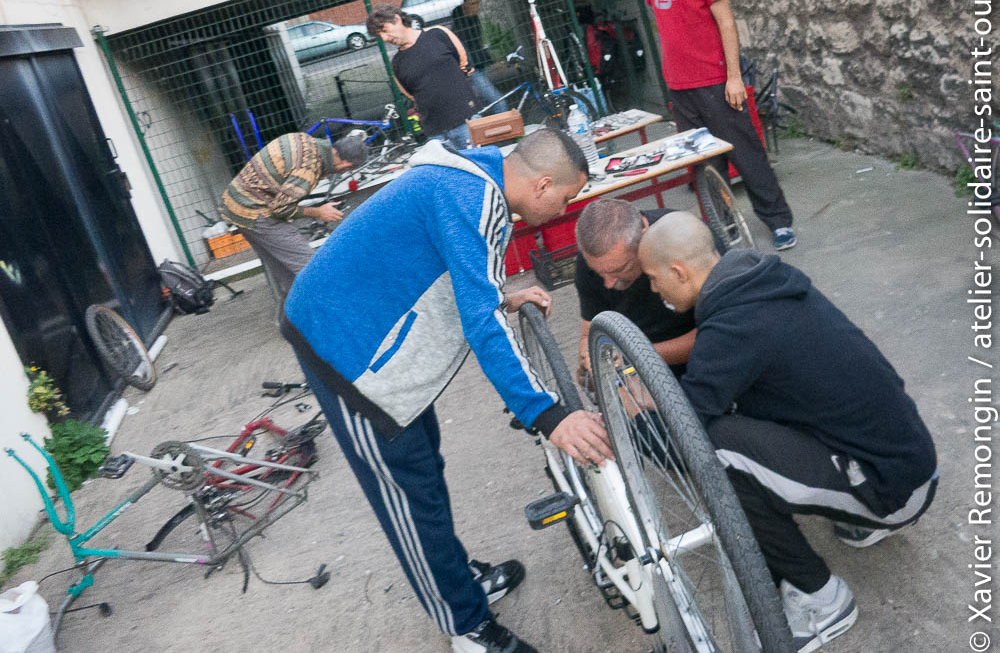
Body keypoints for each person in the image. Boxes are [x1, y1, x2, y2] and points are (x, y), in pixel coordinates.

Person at [281, 129, 614, 653]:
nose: (562, 210)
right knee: (410, 499)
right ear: (544, 183)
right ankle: (466, 627)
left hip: (364, 330)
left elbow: (455, 274)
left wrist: (498, 296)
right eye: (566, 199)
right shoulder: (468, 195)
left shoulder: (474, 180)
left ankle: (456, 581)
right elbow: (479, 324)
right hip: (344, 352)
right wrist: (547, 415)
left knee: (424, 474)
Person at [637, 211, 938, 653]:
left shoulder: (731, 327)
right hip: (908, 459)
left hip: (891, 489)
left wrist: (637, 406)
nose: (652, 288)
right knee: (740, 423)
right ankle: (854, 517)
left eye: (652, 277)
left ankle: (821, 597)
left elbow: (684, 432)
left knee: (716, 450)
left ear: (679, 271)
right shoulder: (762, 282)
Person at [619, 0, 798, 251]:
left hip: (716, 84)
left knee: (747, 156)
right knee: (703, 166)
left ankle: (779, 223)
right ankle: (724, 231)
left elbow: (726, 21)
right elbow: (666, 26)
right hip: (680, 90)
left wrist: (733, 77)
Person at [218, 131, 366, 303]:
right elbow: (280, 209)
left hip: (235, 204)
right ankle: (342, 316)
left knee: (287, 275)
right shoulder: (308, 170)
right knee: (312, 270)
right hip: (255, 211)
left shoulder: (305, 140)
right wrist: (318, 212)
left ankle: (295, 323)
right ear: (346, 165)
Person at [573, 198, 695, 386]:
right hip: (636, 363)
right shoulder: (595, 260)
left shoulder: (685, 240)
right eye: (599, 273)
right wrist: (590, 358)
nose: (608, 283)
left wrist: (636, 356)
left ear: (645, 235)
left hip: (698, 362)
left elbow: (718, 335)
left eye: (619, 269)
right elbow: (588, 333)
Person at [366, 4, 477, 149]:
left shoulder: (438, 34)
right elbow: (410, 94)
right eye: (379, 36)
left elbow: (465, 65)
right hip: (435, 133)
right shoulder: (397, 63)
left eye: (385, 30)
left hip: (466, 121)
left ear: (397, 19)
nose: (385, 38)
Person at [451, 0, 508, 114]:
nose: (476, 7)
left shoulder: (474, 19)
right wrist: (492, 63)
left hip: (476, 67)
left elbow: (478, 45)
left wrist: (491, 62)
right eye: (473, 4)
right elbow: (469, 50)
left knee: (480, 106)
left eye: (478, 3)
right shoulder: (459, 26)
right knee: (499, 101)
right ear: (464, 4)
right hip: (471, 70)